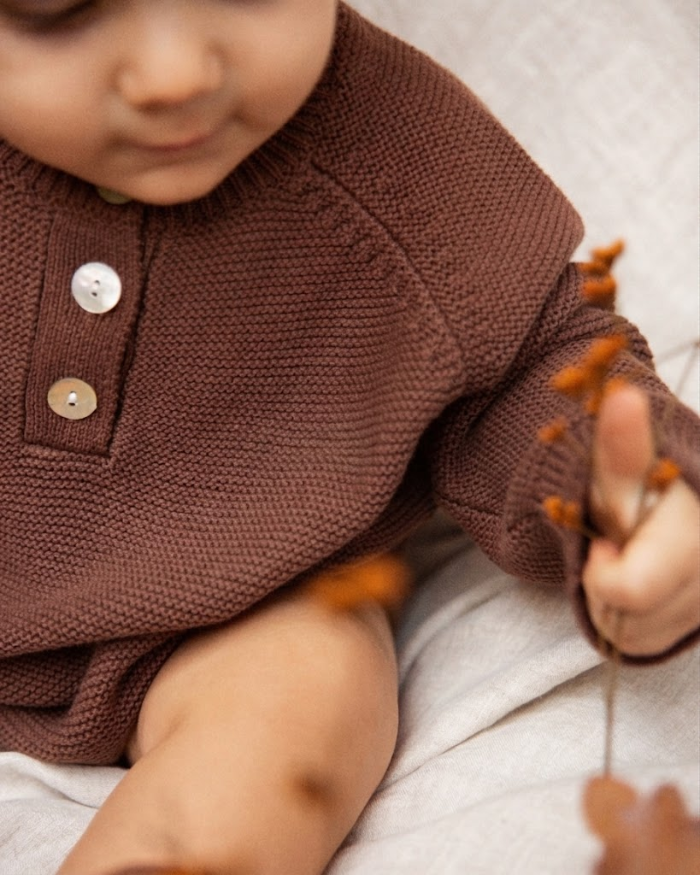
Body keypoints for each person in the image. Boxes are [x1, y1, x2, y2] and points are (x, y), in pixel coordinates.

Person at [0, 1, 697, 873]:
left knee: (307, 689)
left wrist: (629, 498)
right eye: (55, 6)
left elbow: (528, 363)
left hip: (227, 615)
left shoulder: (397, 154)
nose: (174, 74)